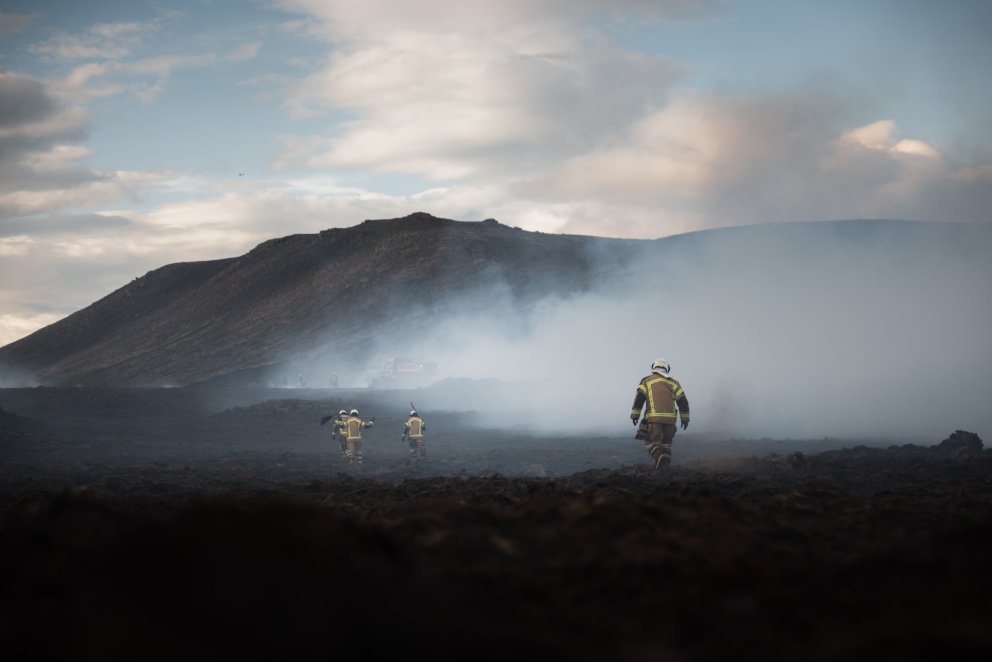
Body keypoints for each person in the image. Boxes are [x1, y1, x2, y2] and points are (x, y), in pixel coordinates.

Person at [630, 358, 690, 469]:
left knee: (651, 443)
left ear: (654, 368)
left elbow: (639, 399)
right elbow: (683, 402)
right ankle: (662, 468)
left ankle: (659, 456)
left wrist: (635, 415)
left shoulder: (647, 381)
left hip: (654, 420)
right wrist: (685, 418)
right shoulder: (674, 383)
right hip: (670, 422)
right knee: (666, 444)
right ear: (666, 369)